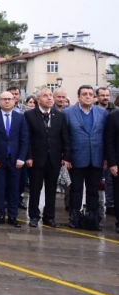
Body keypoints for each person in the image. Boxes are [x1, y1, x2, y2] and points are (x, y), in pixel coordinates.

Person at [25, 88, 70, 228]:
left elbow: (65, 137)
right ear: (39, 99)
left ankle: (49, 217)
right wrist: (29, 156)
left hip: (54, 158)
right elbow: (27, 138)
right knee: (35, 188)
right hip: (37, 158)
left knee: (51, 189)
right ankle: (33, 216)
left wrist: (66, 156)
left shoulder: (59, 116)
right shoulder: (30, 115)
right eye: (45, 96)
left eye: (51, 95)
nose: (49, 98)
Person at [63, 85, 107, 230]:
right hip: (76, 157)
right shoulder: (68, 113)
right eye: (84, 94)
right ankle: (74, 218)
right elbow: (65, 137)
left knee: (93, 190)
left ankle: (93, 219)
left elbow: (106, 137)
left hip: (96, 157)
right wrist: (67, 157)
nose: (88, 96)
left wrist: (106, 158)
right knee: (76, 189)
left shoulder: (102, 113)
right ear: (79, 97)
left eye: (90, 94)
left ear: (94, 97)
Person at [0, 91, 29, 227]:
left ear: (14, 101)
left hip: (15, 161)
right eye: (4, 99)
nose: (7, 101)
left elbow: (24, 139)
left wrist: (22, 158)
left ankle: (13, 216)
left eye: (10, 99)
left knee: (14, 189)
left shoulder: (20, 118)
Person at [96, 87, 117, 215]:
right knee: (95, 179)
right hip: (97, 148)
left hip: (111, 150)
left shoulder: (115, 111)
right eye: (102, 95)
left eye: (107, 95)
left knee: (110, 179)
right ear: (97, 96)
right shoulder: (93, 110)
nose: (105, 97)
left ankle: (110, 204)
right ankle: (94, 204)